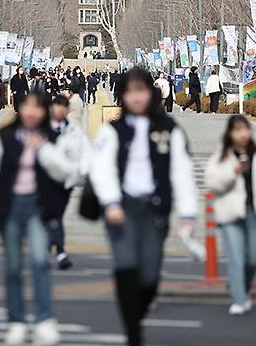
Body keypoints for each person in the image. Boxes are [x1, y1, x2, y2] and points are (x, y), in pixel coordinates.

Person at [90, 68, 198, 346]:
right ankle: (133, 334)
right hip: (122, 208)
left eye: (141, 91)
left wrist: (188, 212)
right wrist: (111, 201)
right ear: (123, 96)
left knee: (149, 275)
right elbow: (101, 170)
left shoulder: (168, 129)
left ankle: (137, 312)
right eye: (130, 92)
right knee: (126, 266)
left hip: (155, 207)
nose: (136, 97)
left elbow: (182, 171)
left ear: (151, 93)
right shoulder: (112, 130)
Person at [0, 91, 67, 346]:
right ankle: (16, 321)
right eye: (27, 106)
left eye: (37, 107)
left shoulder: (51, 137)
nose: (31, 112)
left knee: (40, 261)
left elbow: (64, 170)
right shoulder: (4, 137)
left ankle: (44, 319)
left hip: (38, 206)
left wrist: (44, 149)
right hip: (9, 206)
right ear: (19, 107)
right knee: (13, 266)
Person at [204, 115, 256, 316]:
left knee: (252, 257)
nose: (242, 134)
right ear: (230, 133)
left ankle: (240, 287)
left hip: (254, 211)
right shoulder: (222, 155)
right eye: (237, 130)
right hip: (230, 212)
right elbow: (212, 182)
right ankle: (239, 298)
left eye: (245, 129)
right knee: (236, 256)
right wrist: (233, 172)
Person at [46, 95, 90, 270]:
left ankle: (50, 247)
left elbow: (86, 150)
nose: (60, 110)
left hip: (66, 181)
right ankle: (61, 251)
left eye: (64, 106)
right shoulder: (42, 128)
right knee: (53, 216)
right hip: (46, 181)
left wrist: (84, 169)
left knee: (56, 215)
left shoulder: (74, 130)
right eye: (57, 106)